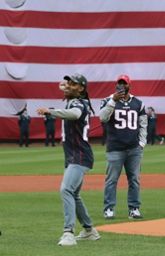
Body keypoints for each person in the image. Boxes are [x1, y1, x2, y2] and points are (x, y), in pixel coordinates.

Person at [37, 73, 100, 246]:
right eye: (67, 83)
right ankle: (89, 230)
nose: (67, 86)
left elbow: (74, 114)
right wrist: (67, 87)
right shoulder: (75, 99)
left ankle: (68, 233)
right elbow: (66, 93)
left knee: (66, 190)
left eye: (72, 84)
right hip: (76, 155)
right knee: (75, 194)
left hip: (79, 156)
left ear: (81, 88)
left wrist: (51, 111)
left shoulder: (79, 103)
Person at [99, 75, 147, 220]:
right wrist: (113, 100)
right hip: (115, 147)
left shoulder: (138, 103)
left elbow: (143, 124)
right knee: (112, 179)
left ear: (129, 85)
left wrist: (142, 143)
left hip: (134, 148)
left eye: (124, 84)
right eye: (119, 84)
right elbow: (102, 117)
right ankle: (109, 208)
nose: (121, 86)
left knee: (134, 179)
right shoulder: (108, 100)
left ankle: (134, 208)